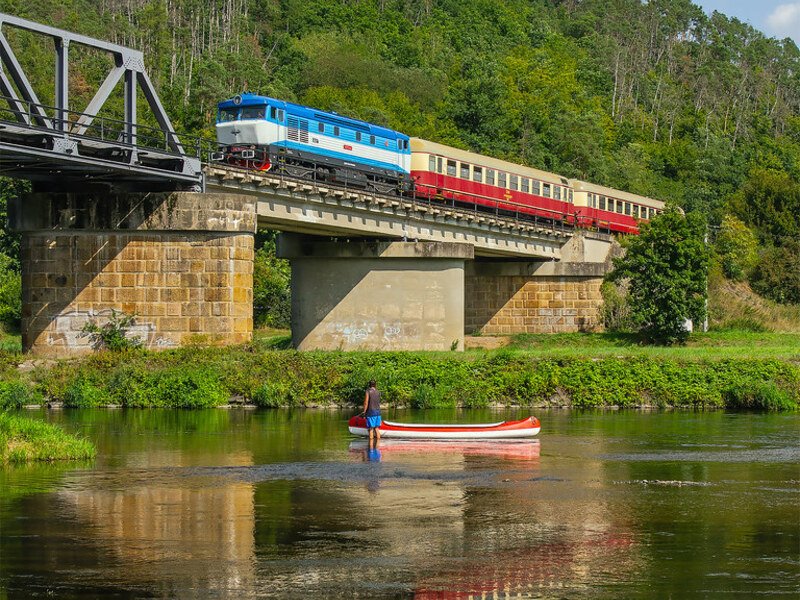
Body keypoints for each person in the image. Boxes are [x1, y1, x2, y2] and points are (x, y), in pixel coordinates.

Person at [362, 380, 382, 447]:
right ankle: (377, 447)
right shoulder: (378, 392)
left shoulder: (368, 391)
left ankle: (371, 448)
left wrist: (364, 411)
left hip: (371, 412)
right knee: (376, 428)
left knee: (371, 429)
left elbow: (366, 402)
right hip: (378, 412)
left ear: (369, 385)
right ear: (375, 385)